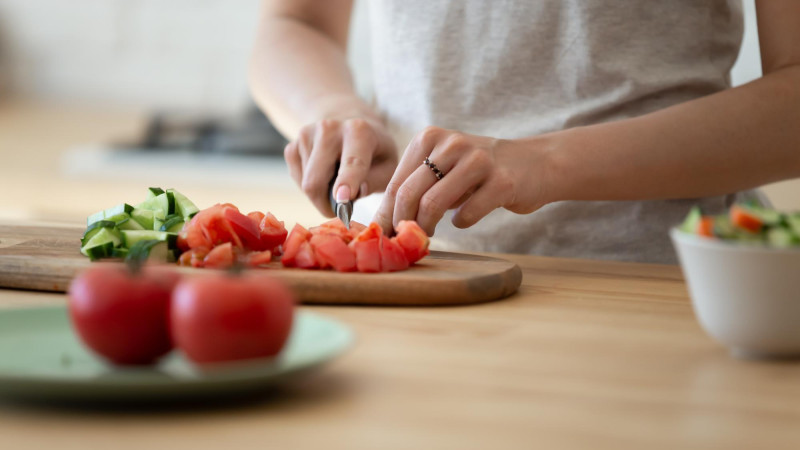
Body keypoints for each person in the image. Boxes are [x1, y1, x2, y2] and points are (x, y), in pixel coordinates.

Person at [249, 0, 800, 263]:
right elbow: (294, 23)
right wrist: (336, 109)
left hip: (652, 283)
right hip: (406, 278)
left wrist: (544, 162)